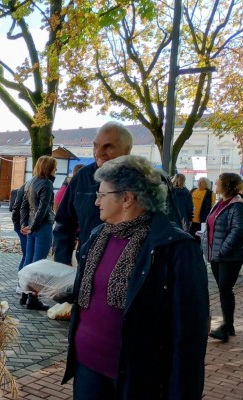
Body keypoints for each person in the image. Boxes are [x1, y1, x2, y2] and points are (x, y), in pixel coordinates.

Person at [63, 155, 209, 400]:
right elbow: (95, 292)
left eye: (102, 195)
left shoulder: (175, 248)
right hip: (86, 368)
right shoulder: (99, 235)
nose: (96, 202)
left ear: (127, 198)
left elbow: (189, 334)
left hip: (136, 378)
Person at [53, 122, 134, 265]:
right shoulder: (82, 177)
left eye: (108, 147)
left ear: (127, 150)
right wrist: (62, 263)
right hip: (87, 266)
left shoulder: (143, 180)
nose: (98, 153)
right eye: (95, 145)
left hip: (130, 271)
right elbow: (64, 224)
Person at [201, 173, 243, 343]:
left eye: (218, 182)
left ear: (226, 185)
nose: (215, 184)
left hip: (228, 256)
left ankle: (226, 327)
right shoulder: (220, 203)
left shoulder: (237, 205)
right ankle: (229, 325)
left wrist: (223, 249)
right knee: (224, 290)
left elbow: (238, 230)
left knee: (225, 289)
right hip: (216, 254)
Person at [20, 155, 57, 265]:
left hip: (31, 223)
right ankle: (31, 283)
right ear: (48, 168)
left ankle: (22, 282)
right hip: (43, 225)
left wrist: (24, 224)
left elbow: (24, 206)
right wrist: (32, 227)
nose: (56, 170)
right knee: (38, 263)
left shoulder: (30, 182)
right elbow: (43, 209)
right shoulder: (47, 183)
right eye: (54, 167)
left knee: (28, 259)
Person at [10, 184, 28, 271]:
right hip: (22, 225)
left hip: (19, 224)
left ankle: (21, 277)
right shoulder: (28, 187)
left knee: (26, 255)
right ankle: (22, 278)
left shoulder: (24, 187)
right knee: (27, 255)